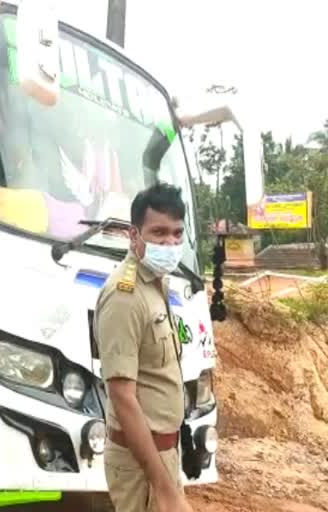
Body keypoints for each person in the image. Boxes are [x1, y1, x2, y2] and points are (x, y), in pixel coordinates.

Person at [93, 183, 192, 512]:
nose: (171, 243)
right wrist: (163, 487)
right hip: (141, 463)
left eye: (178, 233)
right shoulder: (126, 296)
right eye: (159, 232)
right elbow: (122, 396)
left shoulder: (156, 284)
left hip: (163, 452)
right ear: (134, 235)